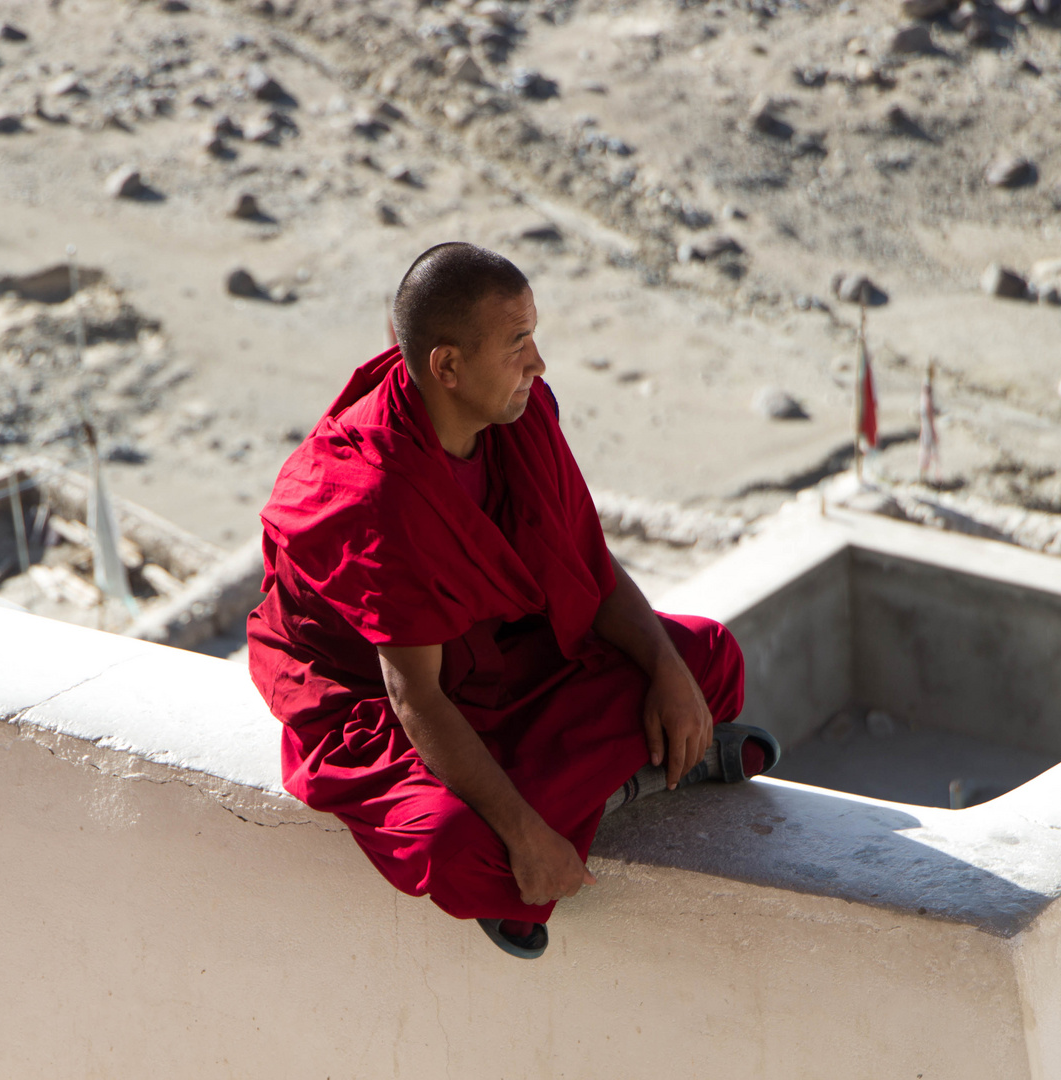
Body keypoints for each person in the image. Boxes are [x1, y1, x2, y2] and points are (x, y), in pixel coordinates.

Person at [246, 242, 778, 959]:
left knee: (706, 658)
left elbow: (585, 562)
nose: (539, 363)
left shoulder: (517, 417)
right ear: (449, 366)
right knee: (460, 846)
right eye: (518, 342)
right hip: (381, 699)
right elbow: (415, 699)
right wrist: (527, 837)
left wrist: (667, 672)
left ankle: (616, 786)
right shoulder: (378, 494)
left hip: (506, 656)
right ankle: (635, 780)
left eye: (535, 335)